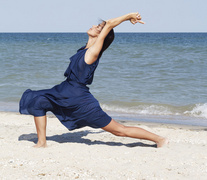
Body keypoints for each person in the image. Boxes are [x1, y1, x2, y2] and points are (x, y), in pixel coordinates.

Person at [19, 12, 168, 148]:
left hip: (80, 101)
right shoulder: (84, 49)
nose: (93, 26)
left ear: (102, 34)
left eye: (98, 27)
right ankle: (42, 142)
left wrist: (128, 16)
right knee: (38, 101)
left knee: (119, 131)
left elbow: (109, 24)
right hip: (64, 92)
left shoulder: (93, 52)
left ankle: (159, 139)